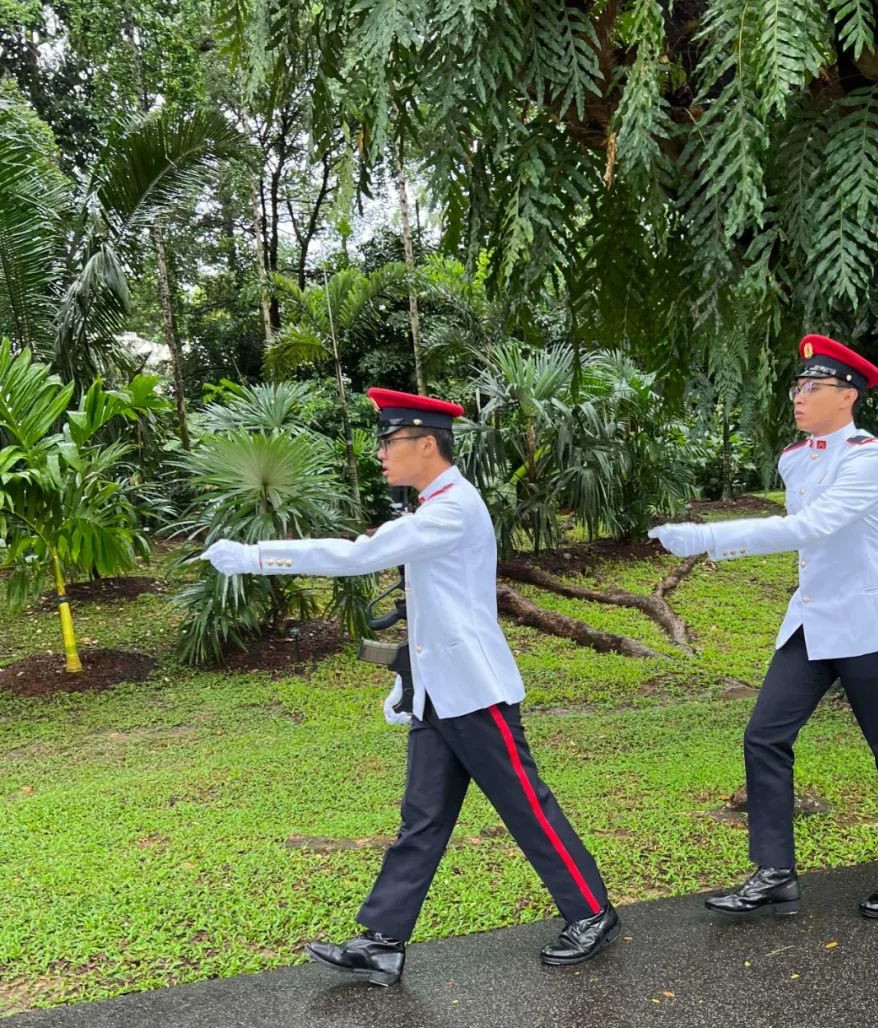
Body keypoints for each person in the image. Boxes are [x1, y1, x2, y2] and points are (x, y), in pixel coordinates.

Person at [202, 387, 619, 985]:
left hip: (474, 691)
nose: (380, 453)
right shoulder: (431, 506)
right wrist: (409, 677)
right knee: (421, 819)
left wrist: (253, 557)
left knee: (524, 805)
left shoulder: (451, 510)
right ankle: (382, 942)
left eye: (389, 441)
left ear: (427, 444)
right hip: (439, 691)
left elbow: (357, 556)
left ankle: (592, 912)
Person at [649, 336, 878, 920]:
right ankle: (775, 872)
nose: (799, 397)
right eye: (797, 387)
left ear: (846, 396)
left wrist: (710, 538)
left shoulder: (866, 456)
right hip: (811, 621)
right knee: (764, 736)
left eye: (812, 388)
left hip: (866, 621)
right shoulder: (795, 457)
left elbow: (813, 526)